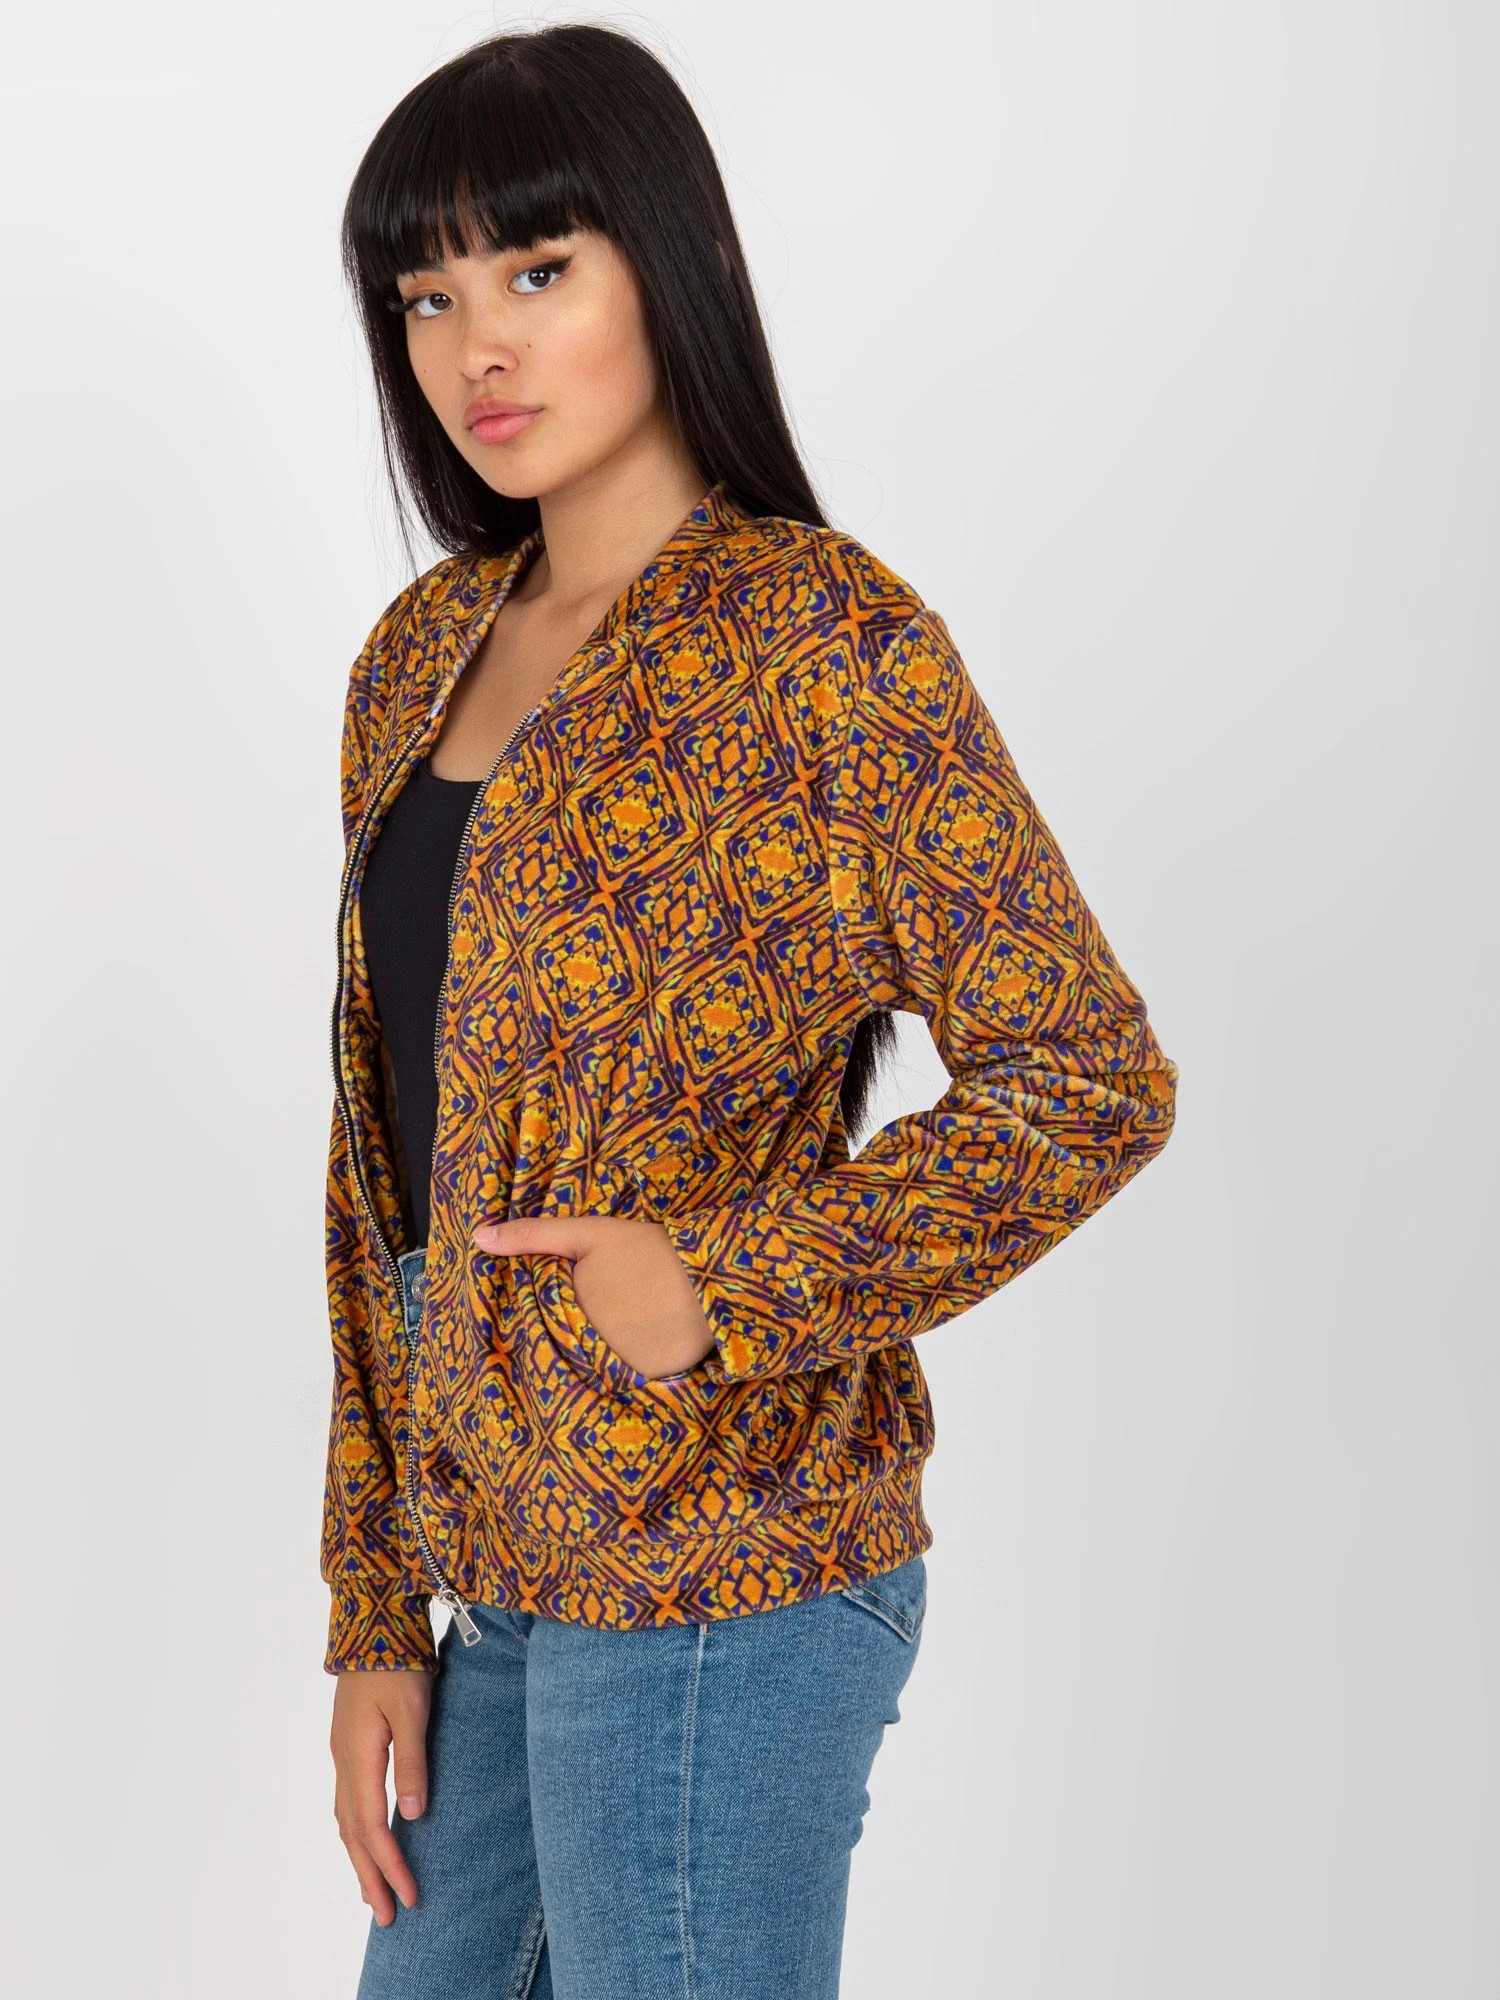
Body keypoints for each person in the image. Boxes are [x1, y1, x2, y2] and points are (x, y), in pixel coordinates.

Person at [323, 23, 1179, 2000]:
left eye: (539, 269)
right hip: (497, 1582)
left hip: (733, 1558)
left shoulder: (826, 644)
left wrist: (728, 1280)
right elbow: (374, 1168)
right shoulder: (415, 658)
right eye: (428, 297)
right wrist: (373, 1603)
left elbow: (1087, 1080)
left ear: (672, 261)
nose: (478, 347)